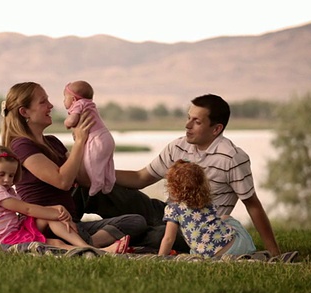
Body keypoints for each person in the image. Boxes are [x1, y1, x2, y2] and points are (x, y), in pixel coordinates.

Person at [114, 93, 281, 256]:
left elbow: (252, 205)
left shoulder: (232, 158)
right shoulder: (178, 146)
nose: (188, 125)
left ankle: (119, 237)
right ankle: (96, 237)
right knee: (108, 192)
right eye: (188, 118)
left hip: (197, 231)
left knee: (158, 235)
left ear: (216, 129)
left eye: (197, 122)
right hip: (170, 211)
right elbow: (141, 178)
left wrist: (274, 252)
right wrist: (97, 175)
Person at [0, 81, 147, 251]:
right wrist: (79, 142)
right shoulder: (21, 146)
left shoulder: (53, 142)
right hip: (51, 225)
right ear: (24, 112)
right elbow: (62, 181)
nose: (51, 106)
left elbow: (83, 179)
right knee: (143, 233)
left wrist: (92, 142)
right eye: (43, 102)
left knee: (136, 221)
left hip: (72, 223)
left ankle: (88, 244)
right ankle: (85, 244)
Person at [0, 145, 130, 253]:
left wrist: (55, 209)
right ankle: (95, 251)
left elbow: (29, 211)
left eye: (11, 175)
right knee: (54, 243)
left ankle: (87, 247)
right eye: (1, 174)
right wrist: (58, 214)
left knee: (50, 218)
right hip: (1, 242)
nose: (7, 179)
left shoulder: (5, 190)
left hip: (14, 232)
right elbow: (27, 209)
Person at [158, 159, 256, 257]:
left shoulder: (173, 209)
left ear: (172, 188)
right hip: (236, 248)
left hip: (206, 256)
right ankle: (249, 247)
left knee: (222, 220)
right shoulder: (206, 202)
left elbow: (169, 239)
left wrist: (160, 257)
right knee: (227, 218)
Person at [63, 80, 115, 196]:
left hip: (95, 139)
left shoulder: (79, 104)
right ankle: (109, 181)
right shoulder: (90, 105)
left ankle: (96, 183)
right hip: (106, 137)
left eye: (65, 98)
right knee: (106, 162)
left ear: (73, 99)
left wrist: (66, 122)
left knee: (90, 162)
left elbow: (72, 120)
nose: (63, 101)